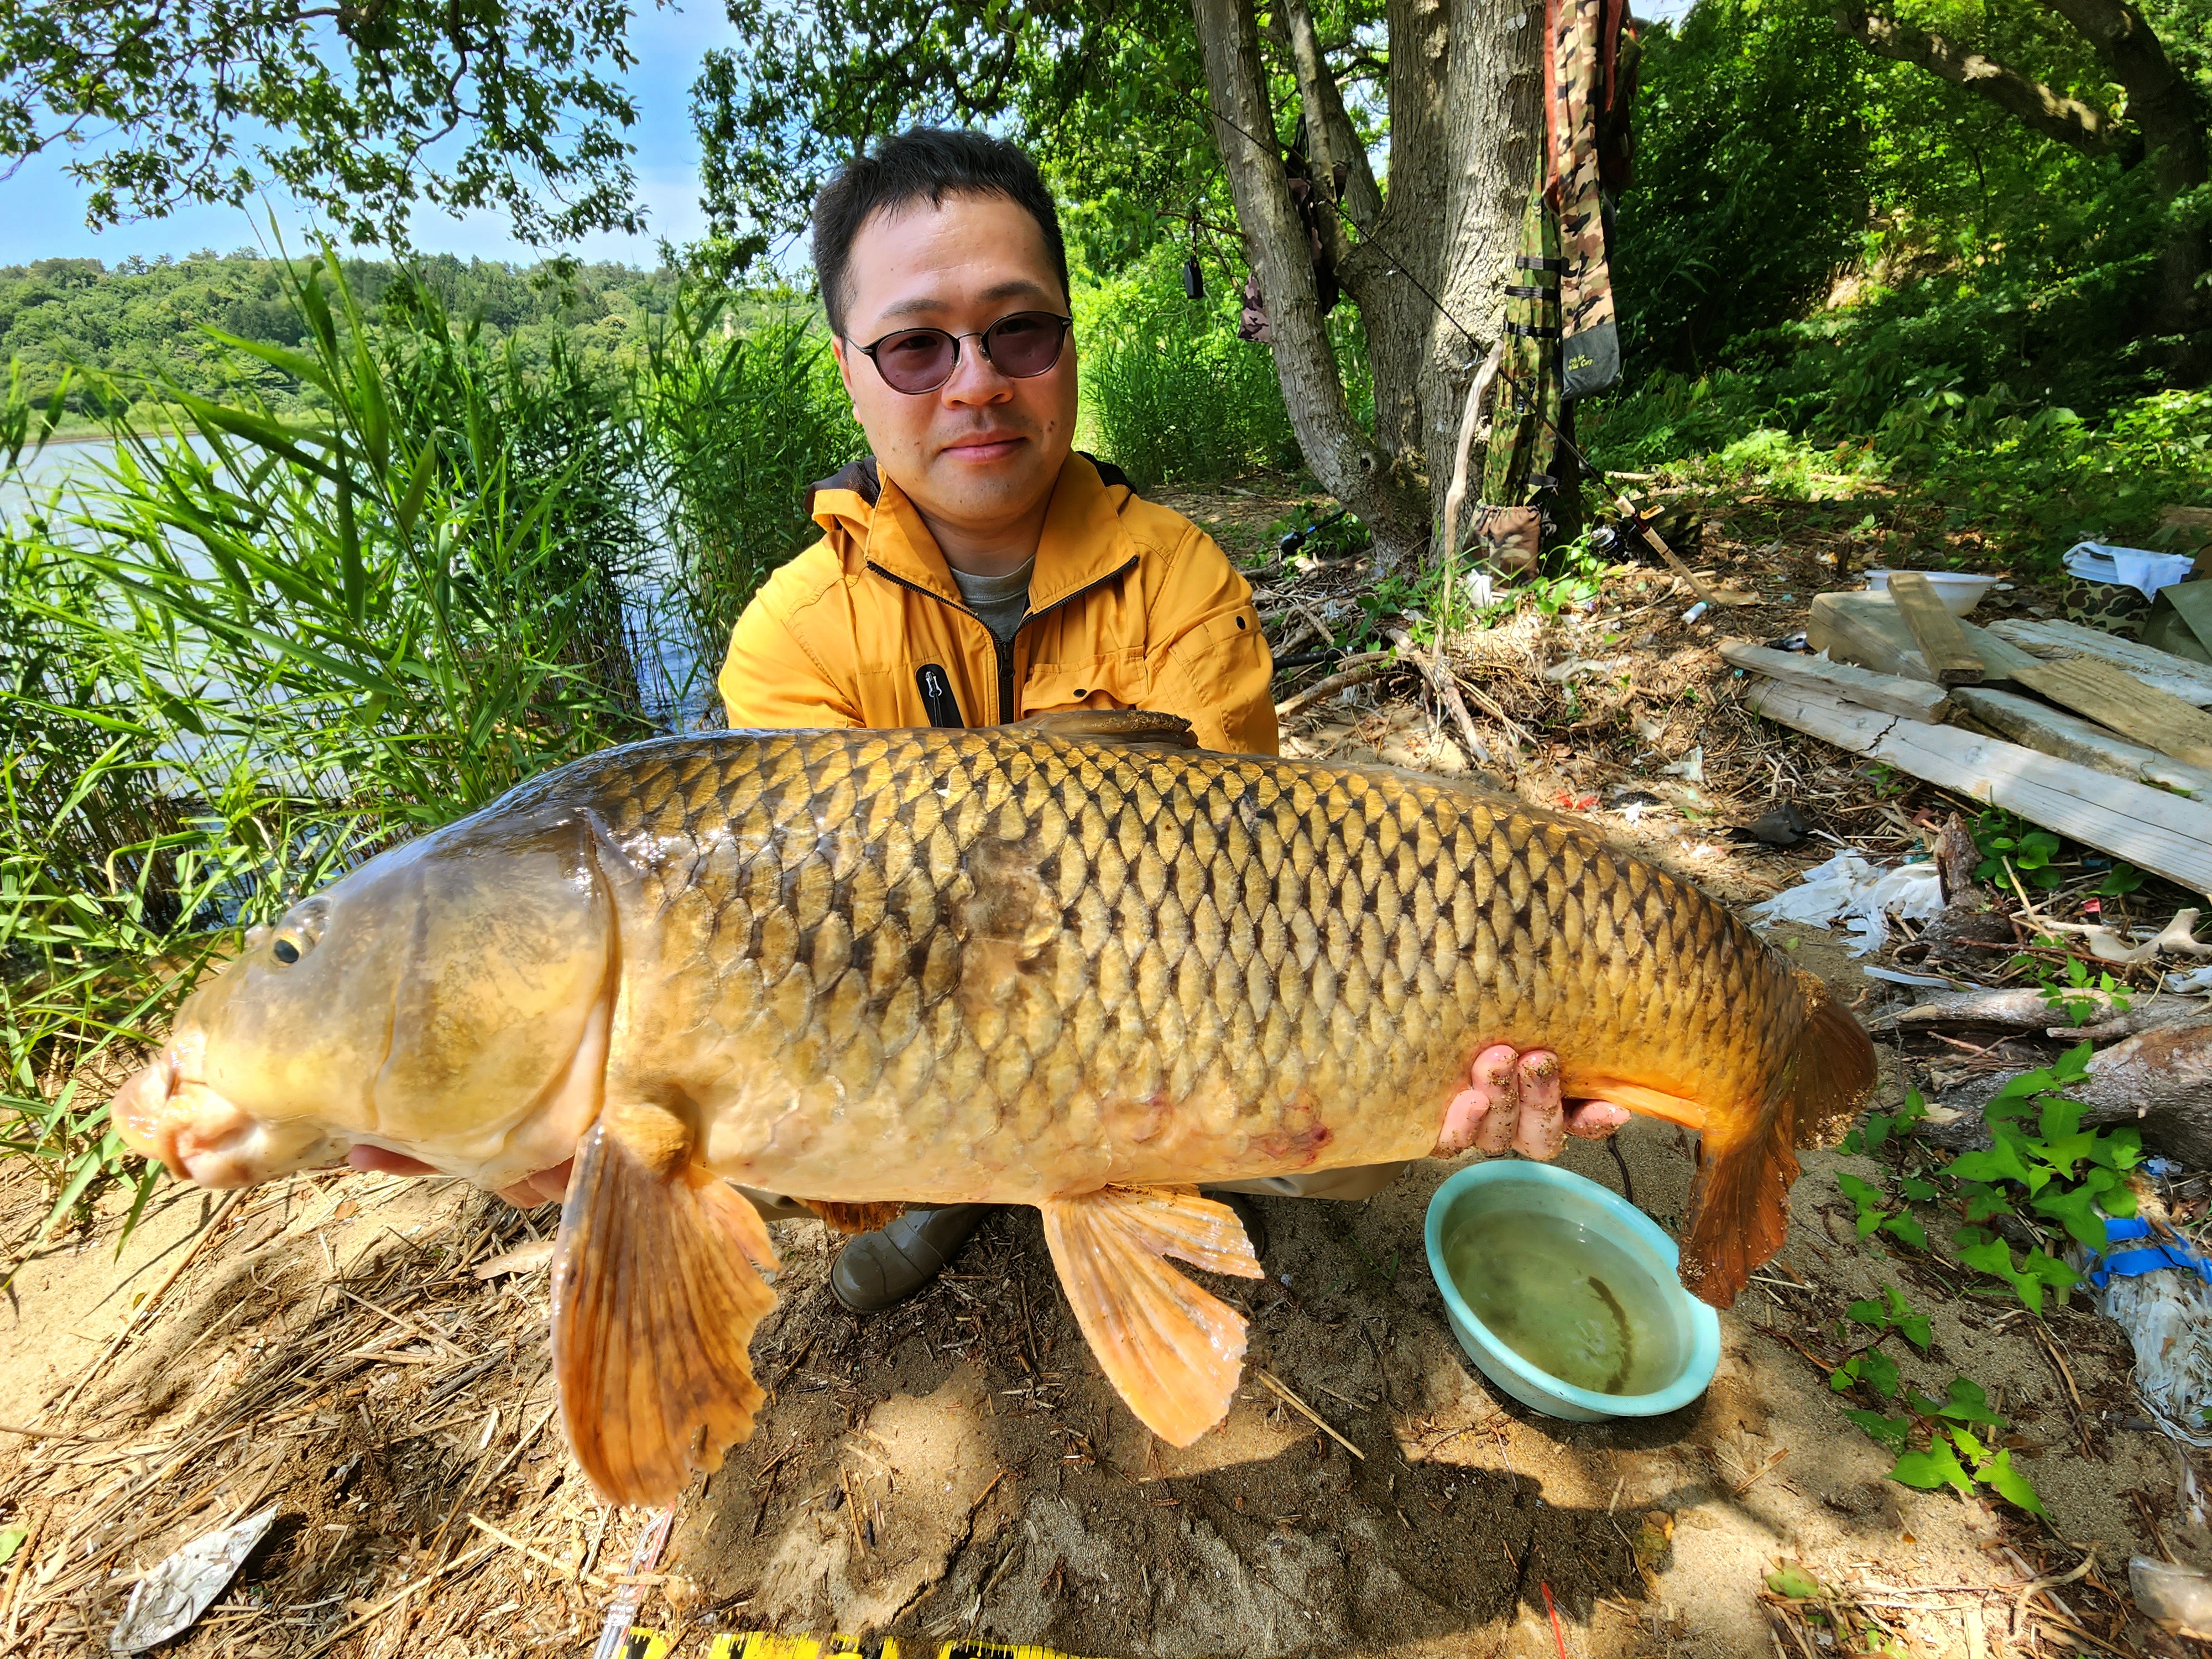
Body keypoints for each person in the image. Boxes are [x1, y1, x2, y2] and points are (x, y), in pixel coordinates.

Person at [701, 127, 1628, 1311]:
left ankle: (1158, 1185)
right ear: (850, 370)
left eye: (1016, 330)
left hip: (1162, 1003)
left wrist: (1434, 1043)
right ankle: (943, 1188)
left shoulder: (1180, 577)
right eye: (916, 347)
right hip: (924, 1031)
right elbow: (837, 971)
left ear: (1065, 347)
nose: (976, 380)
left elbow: (1234, 915)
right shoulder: (788, 636)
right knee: (757, 1079)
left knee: (1357, 1102)